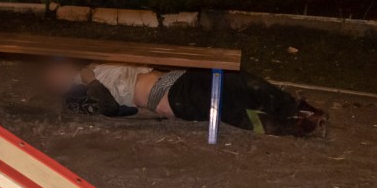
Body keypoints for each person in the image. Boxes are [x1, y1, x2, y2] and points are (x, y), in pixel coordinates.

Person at [44, 61, 328, 138]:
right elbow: (109, 108)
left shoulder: (94, 65)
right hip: (167, 97)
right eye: (53, 77)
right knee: (228, 106)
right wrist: (90, 81)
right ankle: (296, 127)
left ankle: (298, 109)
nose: (58, 72)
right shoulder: (75, 97)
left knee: (238, 81)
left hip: (175, 78)